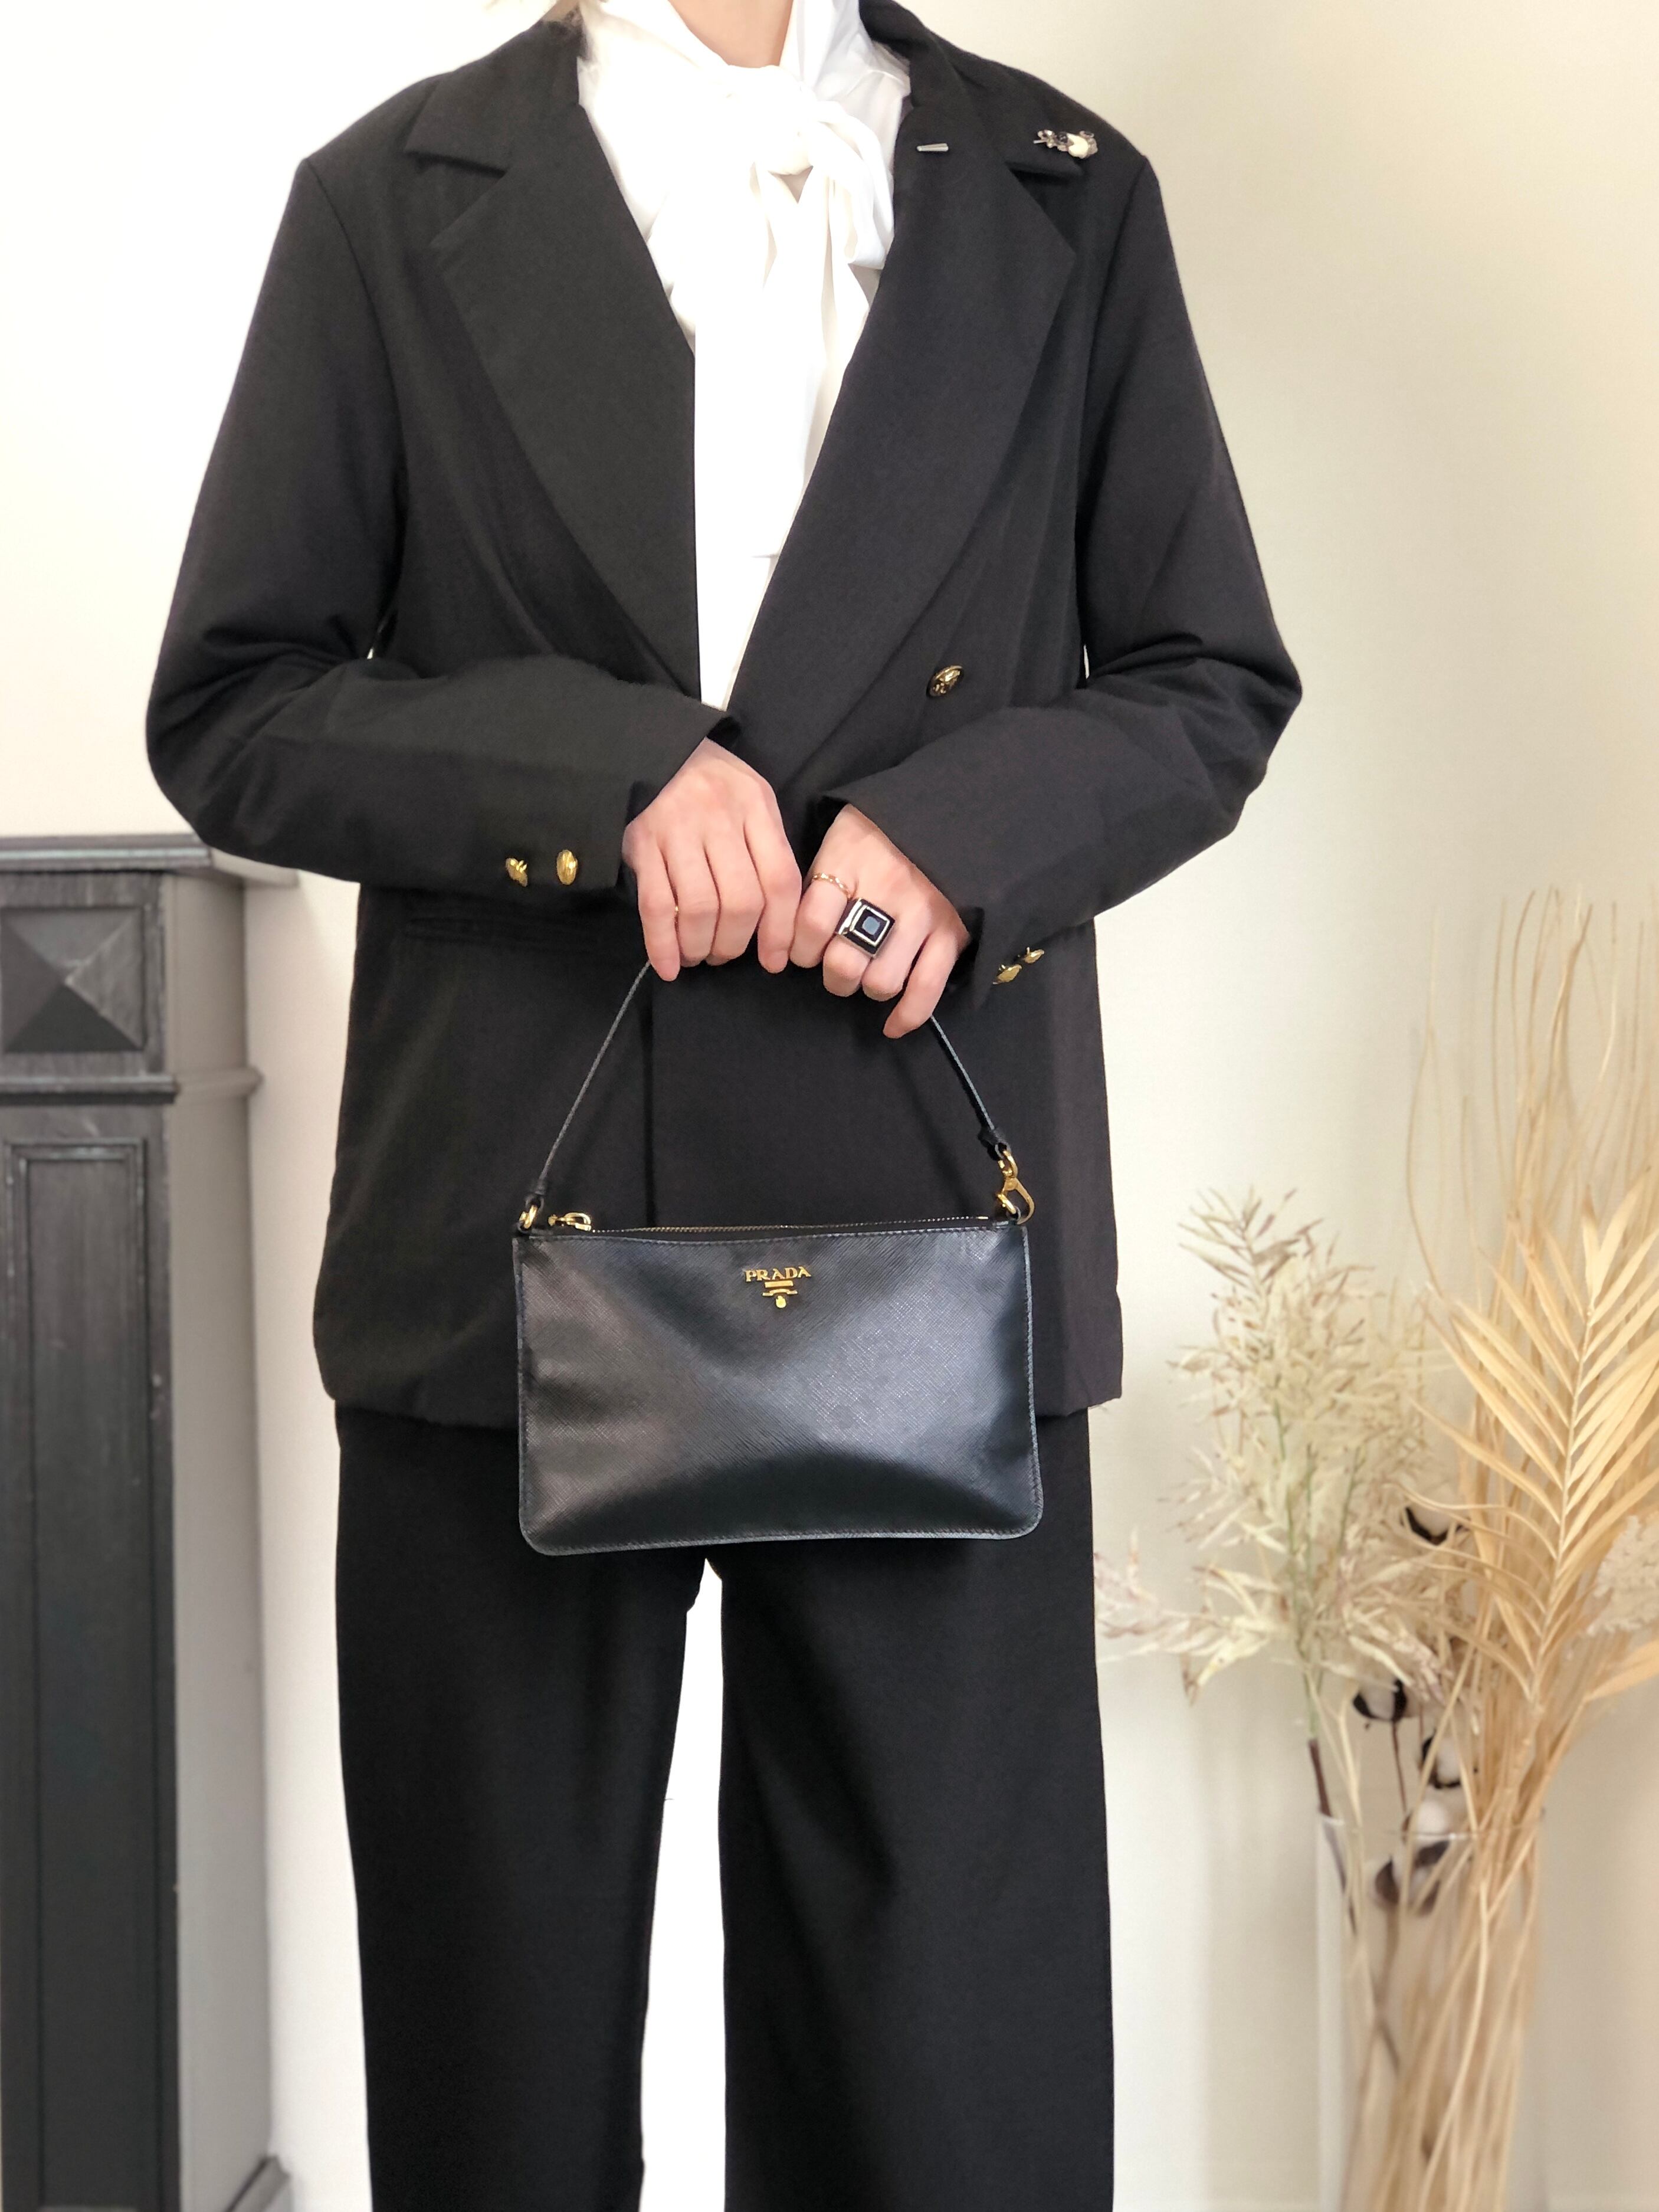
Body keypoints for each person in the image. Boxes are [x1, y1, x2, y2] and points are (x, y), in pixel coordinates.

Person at [147, 0, 1299, 2200]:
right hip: (512, 1229)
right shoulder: (392, 195)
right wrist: (604, 781)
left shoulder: (1061, 195)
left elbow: (1202, 675)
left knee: (945, 2074)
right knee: (500, 2056)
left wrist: (958, 834)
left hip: (929, 1226)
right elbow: (238, 702)